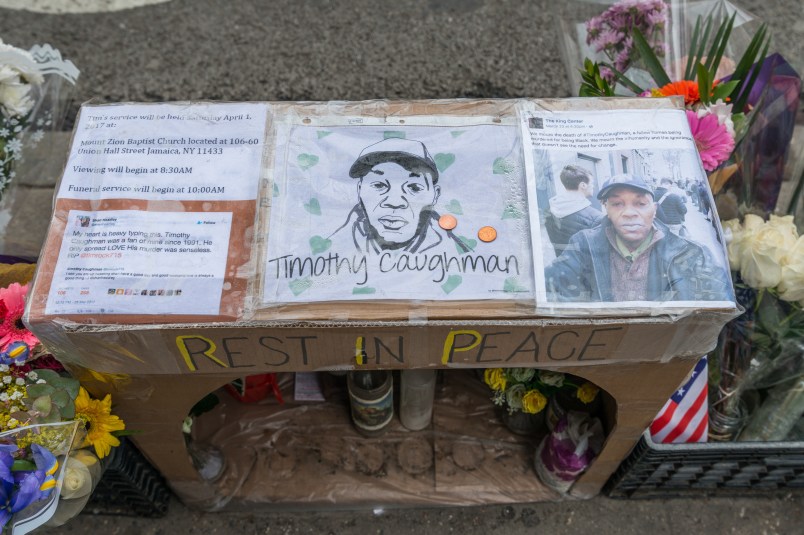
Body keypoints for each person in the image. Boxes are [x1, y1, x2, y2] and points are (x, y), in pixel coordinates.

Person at [544, 174, 730, 302]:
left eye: (640, 203)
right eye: (617, 204)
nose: (629, 213)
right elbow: (553, 288)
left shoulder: (689, 253)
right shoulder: (583, 244)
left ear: (654, 209)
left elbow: (717, 301)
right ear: (606, 209)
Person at [329, 138, 470, 254]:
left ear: (435, 195)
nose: (395, 202)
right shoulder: (329, 248)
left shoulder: (460, 256)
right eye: (379, 185)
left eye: (414, 187)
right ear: (359, 190)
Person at [544, 165, 602, 256]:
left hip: (562, 266)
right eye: (592, 183)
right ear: (583, 185)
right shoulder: (597, 218)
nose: (593, 186)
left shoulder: (549, 210)